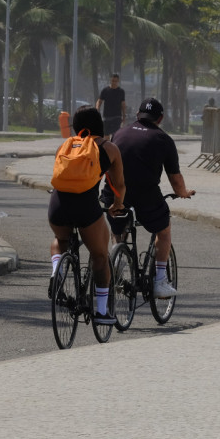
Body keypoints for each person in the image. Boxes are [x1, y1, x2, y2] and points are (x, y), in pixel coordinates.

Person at [103, 97, 195, 299]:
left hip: (114, 193)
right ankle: (160, 282)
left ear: (137, 115)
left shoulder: (118, 133)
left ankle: (116, 256)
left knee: (118, 224)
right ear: (160, 118)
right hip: (145, 194)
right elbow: (175, 179)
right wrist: (183, 193)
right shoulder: (164, 139)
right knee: (164, 230)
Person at [48, 106, 126, 325]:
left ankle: (57, 271)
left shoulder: (64, 146)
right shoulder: (109, 148)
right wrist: (116, 205)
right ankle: (101, 312)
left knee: (60, 240)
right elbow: (119, 185)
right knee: (100, 256)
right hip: (86, 207)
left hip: (57, 205)